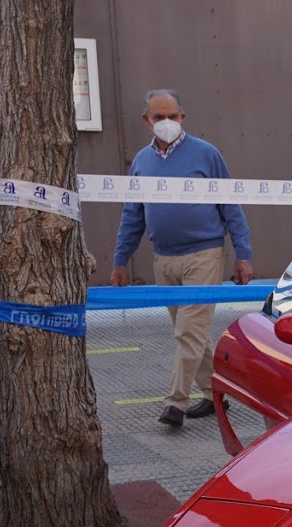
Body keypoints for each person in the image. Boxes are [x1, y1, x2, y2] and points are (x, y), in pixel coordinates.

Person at [111, 89, 252, 429]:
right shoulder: (141, 163)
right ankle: (214, 390)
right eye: (159, 117)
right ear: (147, 120)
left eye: (173, 116)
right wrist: (120, 260)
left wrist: (243, 254)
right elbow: (133, 214)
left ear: (183, 118)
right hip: (164, 259)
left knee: (188, 332)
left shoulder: (207, 154)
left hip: (204, 255)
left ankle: (175, 403)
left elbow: (230, 205)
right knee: (192, 332)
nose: (167, 123)